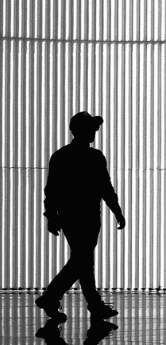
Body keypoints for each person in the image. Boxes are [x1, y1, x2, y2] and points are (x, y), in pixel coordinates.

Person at [36, 112, 125, 321]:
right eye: (91, 128)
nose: (94, 132)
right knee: (83, 260)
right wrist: (116, 210)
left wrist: (51, 215)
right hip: (89, 217)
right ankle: (52, 295)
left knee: (83, 260)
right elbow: (105, 188)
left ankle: (93, 304)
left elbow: (52, 190)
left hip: (71, 217)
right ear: (80, 130)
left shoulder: (61, 156)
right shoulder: (94, 157)